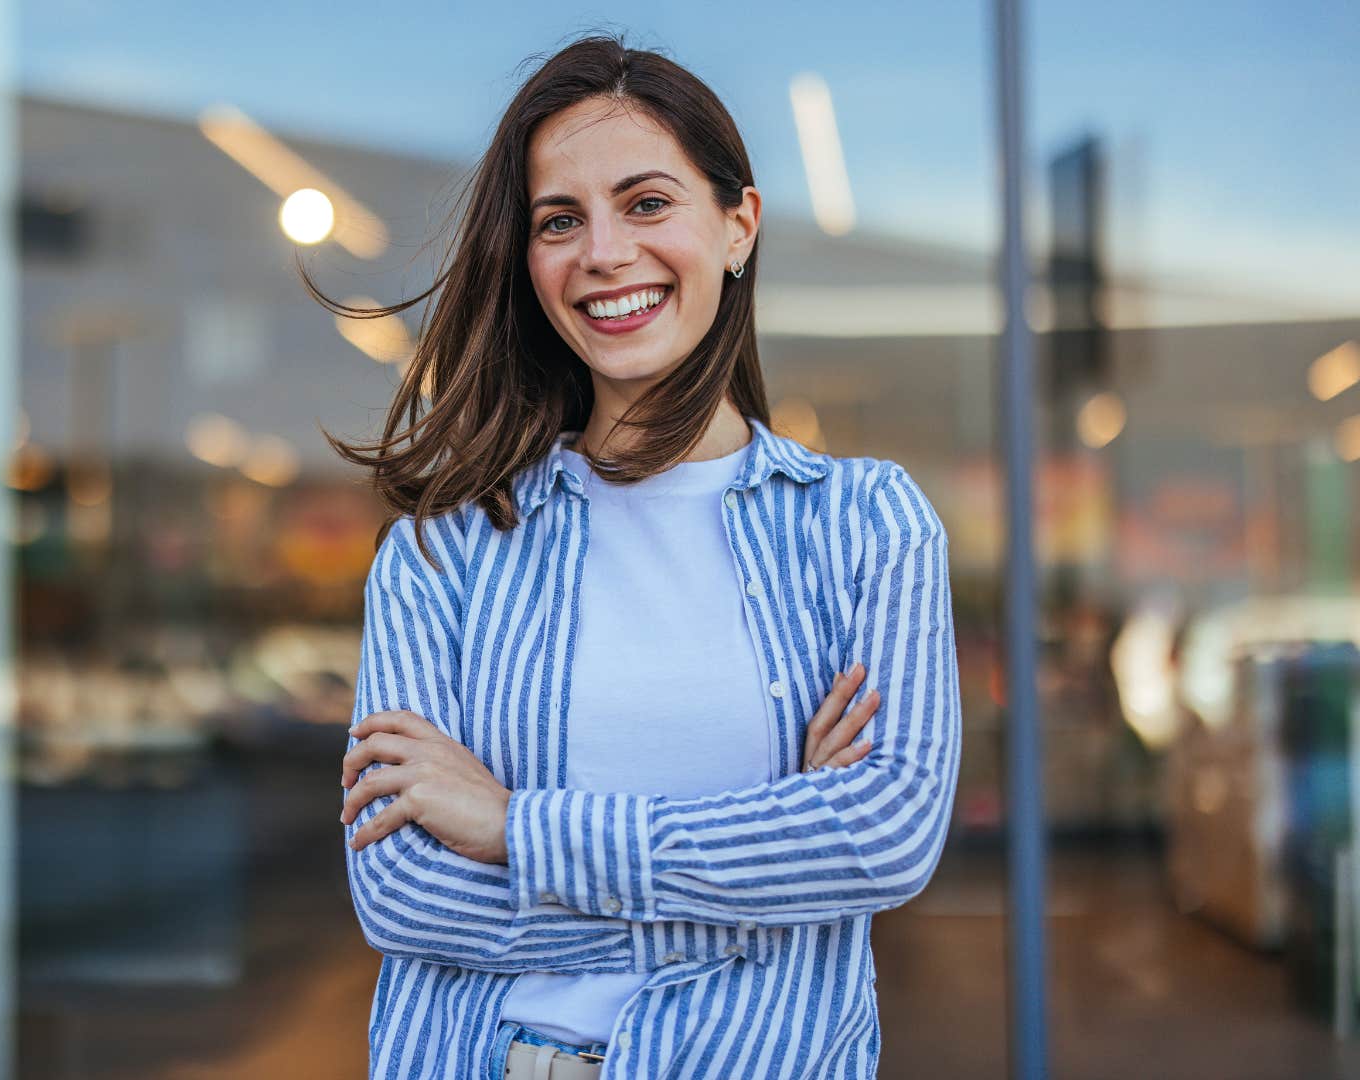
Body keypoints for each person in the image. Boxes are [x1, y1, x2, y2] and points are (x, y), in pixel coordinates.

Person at [316, 33, 961, 1080]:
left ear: (737, 224)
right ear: (528, 261)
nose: (604, 252)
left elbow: (883, 837)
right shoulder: (445, 551)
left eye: (647, 202)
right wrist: (767, 874)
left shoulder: (867, 525)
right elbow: (404, 894)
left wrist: (513, 825)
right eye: (560, 220)